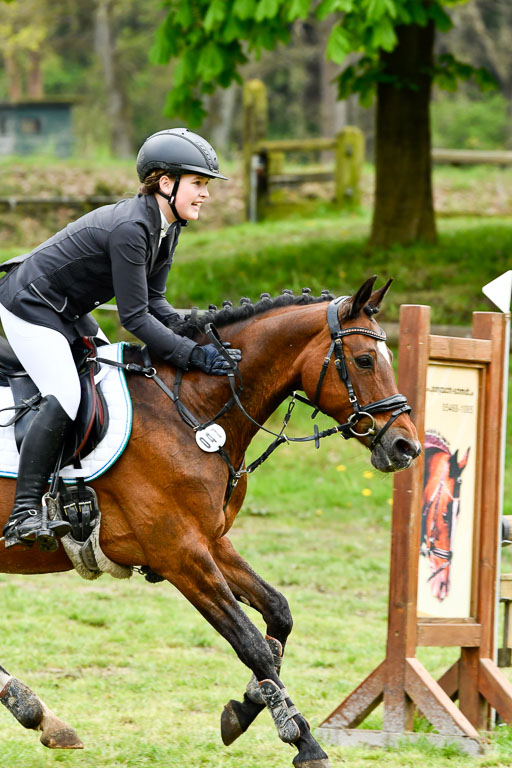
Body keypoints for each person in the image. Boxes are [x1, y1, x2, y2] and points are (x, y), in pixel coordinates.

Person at [0, 128, 241, 551]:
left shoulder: (167, 225)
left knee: (109, 381)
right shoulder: (133, 228)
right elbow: (136, 318)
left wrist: (207, 340)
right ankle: (23, 513)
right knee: (67, 394)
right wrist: (193, 356)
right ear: (166, 183)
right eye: (199, 184)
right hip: (29, 305)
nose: (205, 194)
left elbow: (158, 303)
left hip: (68, 310)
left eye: (205, 185)